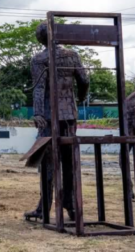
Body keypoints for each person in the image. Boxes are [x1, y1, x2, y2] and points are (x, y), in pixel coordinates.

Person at [24, 21, 89, 222]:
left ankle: (44, 207)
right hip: (69, 115)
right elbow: (84, 81)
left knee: (47, 163)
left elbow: (39, 88)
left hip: (48, 117)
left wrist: (38, 113)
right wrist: (79, 98)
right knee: (69, 162)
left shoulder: (39, 59)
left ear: (40, 39)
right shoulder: (72, 55)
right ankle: (70, 205)